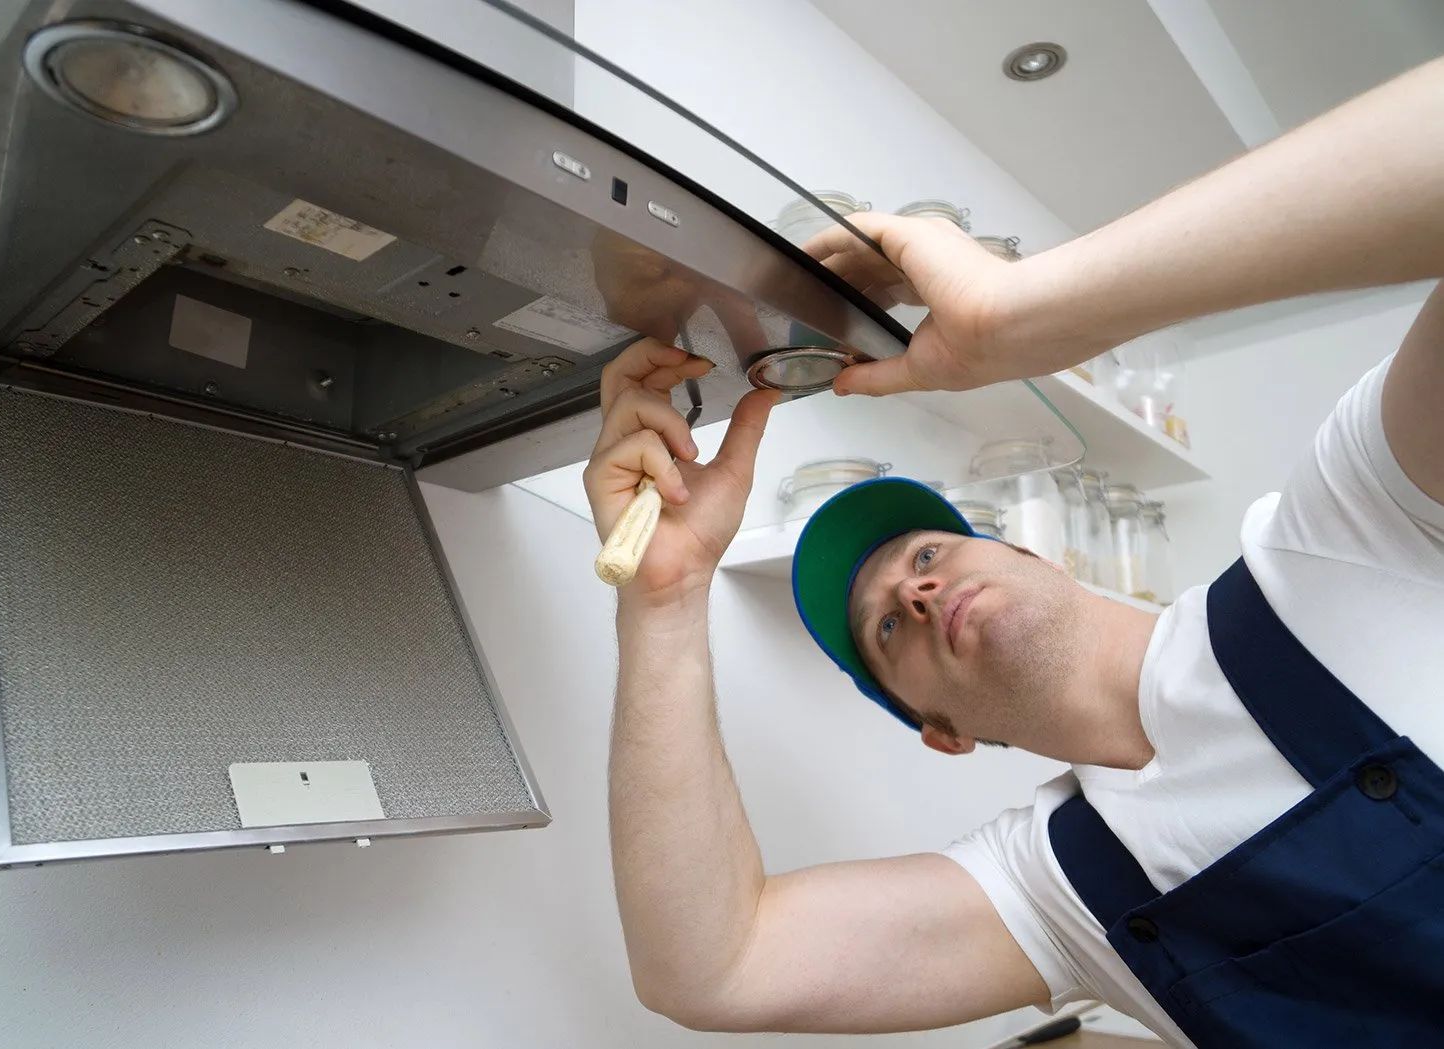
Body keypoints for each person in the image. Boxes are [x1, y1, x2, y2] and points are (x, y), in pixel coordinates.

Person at [581, 56, 1444, 1049]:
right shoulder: (1059, 887)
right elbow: (712, 966)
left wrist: (1022, 311)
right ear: (943, 730)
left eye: (926, 553)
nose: (916, 587)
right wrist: (664, 592)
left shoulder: (1345, 534)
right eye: (888, 628)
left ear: (1040, 555)